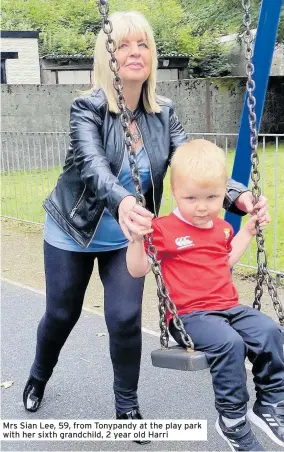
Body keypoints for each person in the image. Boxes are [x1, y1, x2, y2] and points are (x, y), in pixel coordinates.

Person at [23, 11, 269, 436]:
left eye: (143, 44)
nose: (135, 52)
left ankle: (127, 405)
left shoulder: (164, 114)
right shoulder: (87, 108)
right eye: (123, 44)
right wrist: (121, 202)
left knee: (123, 317)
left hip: (130, 235)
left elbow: (190, 162)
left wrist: (237, 195)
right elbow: (94, 167)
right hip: (74, 230)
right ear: (108, 55)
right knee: (62, 313)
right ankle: (38, 376)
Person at [126, 138, 284, 451]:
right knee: (230, 343)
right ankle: (232, 420)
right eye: (191, 198)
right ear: (174, 193)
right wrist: (135, 241)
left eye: (212, 197)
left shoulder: (222, 228)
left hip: (227, 308)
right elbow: (138, 269)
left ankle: (270, 401)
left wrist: (247, 233)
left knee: (268, 330)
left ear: (224, 192)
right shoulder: (163, 229)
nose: (202, 206)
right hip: (188, 317)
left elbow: (224, 262)